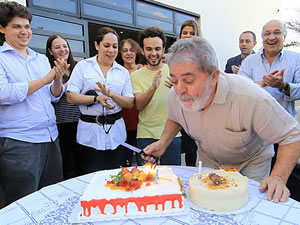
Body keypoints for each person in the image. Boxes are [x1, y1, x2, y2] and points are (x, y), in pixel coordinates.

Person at [143, 37, 300, 203]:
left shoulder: (250, 97)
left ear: (214, 76)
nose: (179, 89)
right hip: (208, 160)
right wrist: (163, 142)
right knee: (204, 205)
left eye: (188, 80)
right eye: (174, 80)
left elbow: (291, 136)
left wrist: (278, 177)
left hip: (250, 163)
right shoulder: (175, 96)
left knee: (246, 209)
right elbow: (175, 117)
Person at [0, 1, 68, 206]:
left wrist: (57, 79)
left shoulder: (40, 59)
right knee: (23, 203)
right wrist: (47, 79)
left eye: (27, 26)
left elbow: (53, 96)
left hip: (50, 138)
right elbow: (4, 93)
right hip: (20, 142)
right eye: (17, 26)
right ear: (2, 28)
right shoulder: (1, 59)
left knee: (53, 199)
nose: (24, 31)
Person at [66, 27, 134, 174]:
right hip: (89, 135)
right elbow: (71, 96)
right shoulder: (83, 67)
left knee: (117, 177)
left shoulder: (123, 72)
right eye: (107, 45)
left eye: (115, 47)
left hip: (116, 134)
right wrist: (96, 98)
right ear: (97, 45)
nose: (111, 50)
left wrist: (112, 94)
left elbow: (129, 102)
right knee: (90, 178)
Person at [131, 26, 181, 166]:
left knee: (172, 178)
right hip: (145, 135)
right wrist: (153, 87)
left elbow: (188, 102)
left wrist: (177, 89)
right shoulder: (136, 75)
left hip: (172, 135)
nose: (154, 53)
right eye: (149, 49)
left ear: (164, 50)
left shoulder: (174, 71)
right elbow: (139, 105)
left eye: (157, 49)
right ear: (142, 50)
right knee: (145, 181)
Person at [46, 34, 81, 179]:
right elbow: (53, 97)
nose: (62, 49)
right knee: (67, 164)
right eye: (57, 47)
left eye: (65, 46)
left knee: (81, 162)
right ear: (50, 51)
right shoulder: (48, 69)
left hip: (81, 121)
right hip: (62, 124)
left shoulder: (78, 67)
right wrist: (64, 82)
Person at [119, 38, 142, 166]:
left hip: (142, 123)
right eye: (125, 50)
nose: (128, 53)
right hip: (124, 122)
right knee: (125, 160)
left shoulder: (143, 70)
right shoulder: (117, 72)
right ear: (121, 54)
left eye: (132, 50)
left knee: (144, 160)